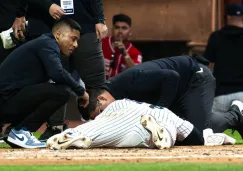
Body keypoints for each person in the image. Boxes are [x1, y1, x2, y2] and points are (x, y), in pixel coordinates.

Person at [12, 0, 108, 139]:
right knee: (52, 82)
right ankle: (54, 128)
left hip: (84, 22)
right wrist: (42, 6)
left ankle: (103, 128)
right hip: (46, 23)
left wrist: (100, 18)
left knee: (97, 83)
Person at [0, 17, 89, 148]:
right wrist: (81, 91)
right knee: (61, 92)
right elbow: (57, 73)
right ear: (58, 34)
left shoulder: (44, 43)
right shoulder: (47, 43)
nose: (75, 45)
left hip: (7, 101)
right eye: (73, 39)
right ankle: (21, 131)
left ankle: (15, 131)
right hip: (5, 101)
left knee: (55, 90)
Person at [46, 99, 235, 150]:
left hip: (127, 119)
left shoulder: (117, 104)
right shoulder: (167, 112)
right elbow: (194, 137)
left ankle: (74, 135)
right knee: (167, 135)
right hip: (161, 121)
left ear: (102, 100)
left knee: (99, 130)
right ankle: (165, 137)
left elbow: (103, 121)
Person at [204, 3, 243, 136]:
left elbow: (206, 65)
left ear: (227, 17)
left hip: (221, 95)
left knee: (212, 134)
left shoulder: (216, 37)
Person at [102, 14, 142, 79]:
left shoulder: (135, 53)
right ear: (112, 29)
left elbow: (137, 74)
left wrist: (125, 54)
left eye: (124, 28)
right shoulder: (101, 43)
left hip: (122, 87)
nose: (120, 31)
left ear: (130, 31)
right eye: (117, 27)